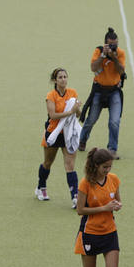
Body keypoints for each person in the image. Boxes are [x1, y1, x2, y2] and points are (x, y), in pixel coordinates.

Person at [75, 148, 122, 267]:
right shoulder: (85, 183)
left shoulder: (114, 179)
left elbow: (117, 200)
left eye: (109, 167)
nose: (108, 170)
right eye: (104, 167)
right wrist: (104, 208)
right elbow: (80, 210)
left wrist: (117, 205)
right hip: (90, 234)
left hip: (110, 232)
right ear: (95, 166)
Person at [78, 27, 126, 158]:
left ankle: (112, 149)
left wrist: (114, 58)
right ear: (105, 43)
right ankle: (82, 140)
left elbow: (122, 71)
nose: (113, 47)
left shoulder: (120, 53)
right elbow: (93, 67)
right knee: (91, 119)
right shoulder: (98, 51)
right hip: (99, 90)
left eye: (115, 44)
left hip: (114, 91)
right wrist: (103, 56)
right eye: (111, 44)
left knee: (114, 121)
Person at [37, 68, 81, 205]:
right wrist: (70, 112)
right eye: (60, 77)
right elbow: (53, 115)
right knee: (48, 163)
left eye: (65, 77)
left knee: (70, 165)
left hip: (68, 134)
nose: (63, 79)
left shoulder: (72, 93)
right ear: (55, 80)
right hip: (54, 133)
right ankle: (41, 187)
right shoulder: (51, 96)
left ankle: (75, 196)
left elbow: (78, 115)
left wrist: (77, 109)